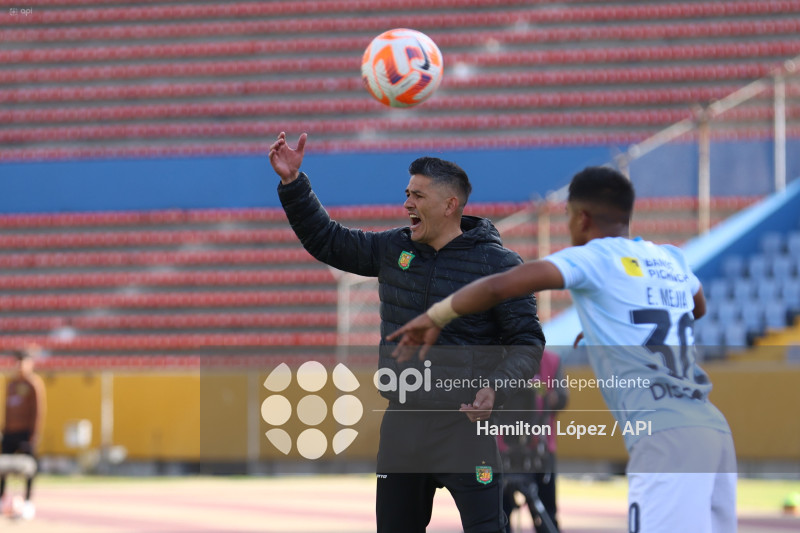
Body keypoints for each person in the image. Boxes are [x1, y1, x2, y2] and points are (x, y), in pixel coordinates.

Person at [390, 166, 737, 533]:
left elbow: (499, 287)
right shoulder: (671, 258)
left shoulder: (594, 256)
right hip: (712, 429)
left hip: (666, 438)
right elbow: (696, 307)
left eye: (569, 216)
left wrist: (437, 315)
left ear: (583, 218)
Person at [269, 132, 545, 533]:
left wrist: (497, 388)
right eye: (407, 193)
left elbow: (527, 342)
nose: (406, 203)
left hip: (466, 428)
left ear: (450, 205)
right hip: (403, 424)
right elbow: (327, 240)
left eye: (417, 195)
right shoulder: (392, 250)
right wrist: (293, 184)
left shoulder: (500, 266)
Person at [499, 349, 567, 533]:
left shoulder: (551, 360)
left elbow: (562, 398)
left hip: (541, 449)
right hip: (501, 448)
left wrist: (552, 398)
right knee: (498, 514)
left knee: (546, 511)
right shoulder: (497, 357)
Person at [1, 346, 46, 520]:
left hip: (25, 432)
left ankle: (27, 502)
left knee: (29, 468)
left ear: (30, 363)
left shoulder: (33, 384)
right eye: (17, 361)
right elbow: (6, 408)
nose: (20, 365)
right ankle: (2, 499)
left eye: (23, 361)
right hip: (10, 432)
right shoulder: (11, 384)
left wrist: (34, 434)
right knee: (3, 467)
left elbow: (38, 411)